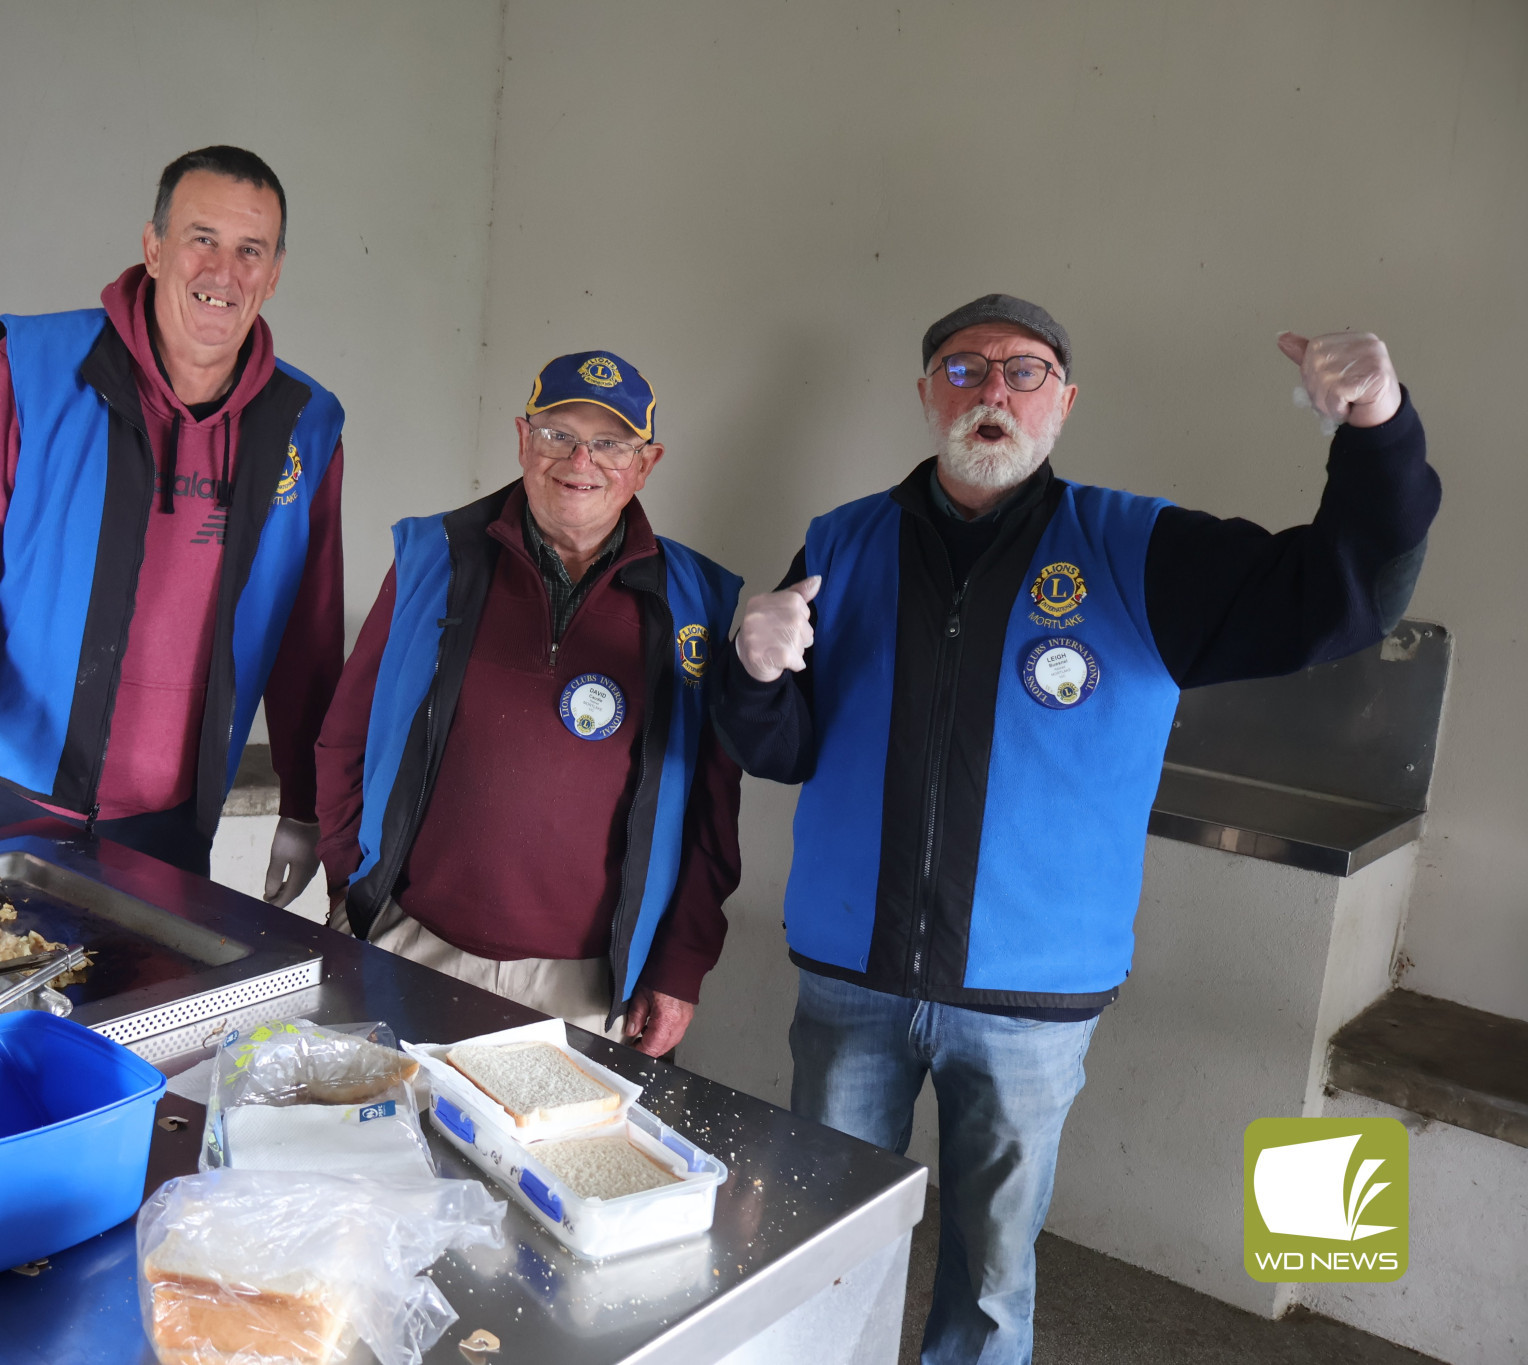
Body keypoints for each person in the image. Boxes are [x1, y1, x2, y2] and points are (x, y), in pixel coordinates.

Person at [711, 294, 1440, 1363]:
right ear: (926, 397)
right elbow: (778, 746)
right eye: (962, 371)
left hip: (1026, 1004)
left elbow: (1342, 596)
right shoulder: (841, 541)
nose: (991, 391)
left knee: (991, 1275)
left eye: (1022, 371)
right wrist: (753, 665)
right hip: (849, 980)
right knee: (825, 1242)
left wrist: (1375, 425)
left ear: (1062, 402)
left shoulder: (1135, 548)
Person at [0, 145, 343, 903]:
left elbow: (308, 637)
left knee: (124, 1025)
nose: (222, 271)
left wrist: (305, 800)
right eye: (202, 238)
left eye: (249, 250)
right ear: (154, 247)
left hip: (164, 836)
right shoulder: (35, 369)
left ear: (274, 271)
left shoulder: (305, 425)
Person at [315, 352, 743, 1054]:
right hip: (409, 945)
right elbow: (347, 734)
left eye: (611, 443)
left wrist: (680, 968)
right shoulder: (436, 557)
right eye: (558, 434)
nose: (581, 459)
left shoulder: (694, 602)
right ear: (522, 439)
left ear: (647, 462)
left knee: (545, 1166)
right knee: (378, 1155)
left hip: (585, 989)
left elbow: (710, 816)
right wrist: (349, 882)